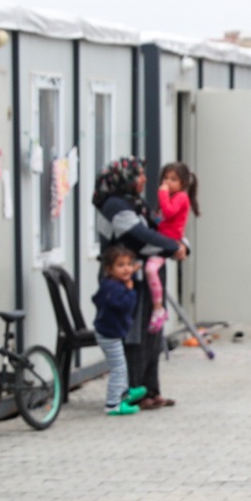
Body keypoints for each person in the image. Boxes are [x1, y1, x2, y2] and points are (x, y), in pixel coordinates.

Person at [93, 156, 187, 410]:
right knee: (135, 336)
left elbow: (156, 229)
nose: (144, 179)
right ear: (124, 178)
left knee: (152, 336)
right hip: (124, 280)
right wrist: (171, 246)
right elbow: (138, 235)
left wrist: (179, 244)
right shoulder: (114, 205)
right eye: (139, 174)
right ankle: (134, 391)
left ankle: (150, 389)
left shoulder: (132, 203)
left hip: (141, 277)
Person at [91, 245, 149, 416]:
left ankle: (123, 393)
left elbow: (96, 299)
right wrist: (130, 291)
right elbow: (124, 306)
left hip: (110, 332)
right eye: (121, 265)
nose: (127, 269)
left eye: (129, 264)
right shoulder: (115, 288)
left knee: (121, 365)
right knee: (118, 368)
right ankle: (113, 404)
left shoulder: (110, 284)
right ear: (109, 269)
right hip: (109, 334)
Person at [144, 162, 199, 333]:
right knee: (150, 269)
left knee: (150, 270)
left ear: (183, 183)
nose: (167, 182)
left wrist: (162, 193)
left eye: (173, 179)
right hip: (163, 240)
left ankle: (158, 308)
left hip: (169, 242)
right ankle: (158, 307)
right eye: (165, 178)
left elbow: (168, 212)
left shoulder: (181, 197)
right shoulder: (173, 197)